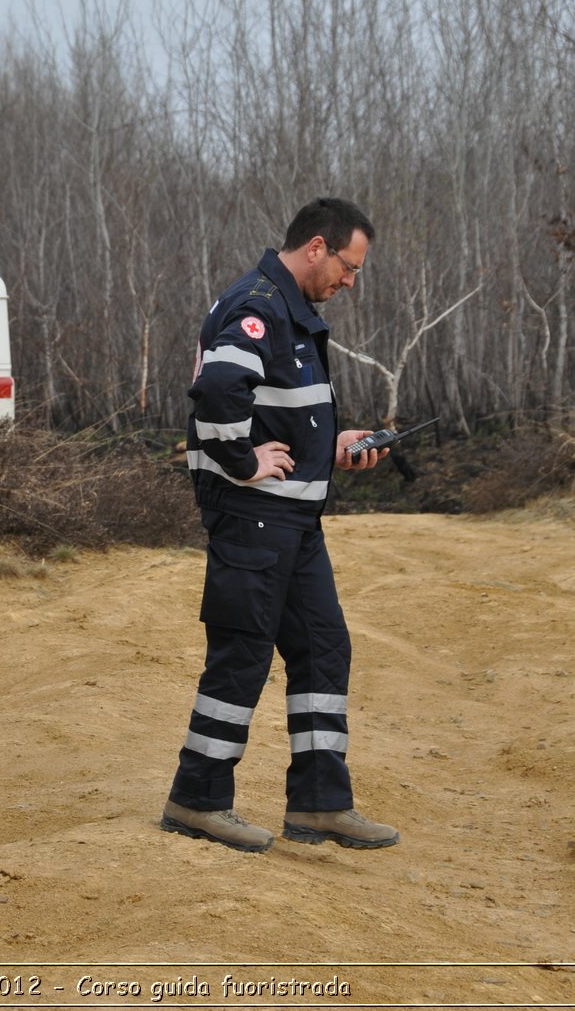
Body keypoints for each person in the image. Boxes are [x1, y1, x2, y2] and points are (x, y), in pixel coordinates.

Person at [162, 197, 398, 854]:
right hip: (255, 520)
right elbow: (217, 391)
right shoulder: (259, 305)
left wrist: (338, 447)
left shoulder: (292, 311)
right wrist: (241, 459)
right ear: (317, 247)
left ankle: (321, 803)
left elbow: (277, 412)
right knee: (242, 655)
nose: (351, 280)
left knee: (324, 646)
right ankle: (198, 798)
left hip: (295, 521)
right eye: (349, 266)